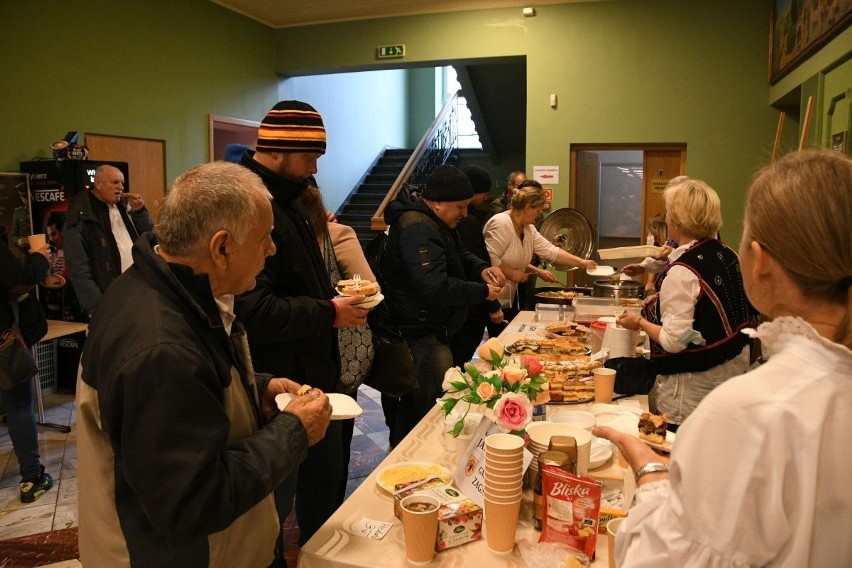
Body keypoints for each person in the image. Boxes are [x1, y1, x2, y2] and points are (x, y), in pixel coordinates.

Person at [594, 150, 852, 567]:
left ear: (761, 261)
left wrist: (652, 476)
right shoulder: (722, 256)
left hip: (692, 384)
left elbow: (662, 560)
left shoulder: (748, 414)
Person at [75, 161, 333, 568]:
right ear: (222, 247)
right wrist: (293, 432)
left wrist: (255, 388)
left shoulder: (165, 287)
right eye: (265, 237)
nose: (272, 248)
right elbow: (190, 502)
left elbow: (190, 393)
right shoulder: (160, 347)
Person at [234, 101, 368, 548]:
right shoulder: (253, 204)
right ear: (278, 149)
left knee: (324, 492)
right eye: (310, 155)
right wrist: (329, 312)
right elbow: (255, 311)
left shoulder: (290, 197)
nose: (315, 167)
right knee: (275, 511)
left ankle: (320, 557)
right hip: (281, 384)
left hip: (313, 377)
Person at [379, 165, 505, 446]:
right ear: (437, 202)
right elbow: (433, 286)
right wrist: (483, 292)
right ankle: (413, 464)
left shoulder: (435, 223)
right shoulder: (417, 229)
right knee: (427, 414)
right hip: (420, 333)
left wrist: (481, 268)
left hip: (432, 328)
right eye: (460, 207)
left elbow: (457, 253)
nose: (464, 213)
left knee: (420, 408)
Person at [615, 177, 753, 429]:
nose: (666, 218)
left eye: (668, 212)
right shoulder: (727, 252)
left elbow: (673, 342)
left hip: (693, 391)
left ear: (676, 221)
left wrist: (639, 322)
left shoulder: (683, 272)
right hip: (729, 377)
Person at [299, 181, 375, 505]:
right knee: (332, 449)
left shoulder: (265, 235)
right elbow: (368, 287)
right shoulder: (336, 234)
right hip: (333, 355)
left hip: (280, 363)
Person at [484, 184, 595, 337]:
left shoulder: (528, 228)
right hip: (489, 296)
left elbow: (550, 251)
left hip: (507, 295)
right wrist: (513, 274)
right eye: (538, 210)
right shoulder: (501, 223)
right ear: (528, 207)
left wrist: (582, 262)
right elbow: (490, 258)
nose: (539, 214)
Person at [0, 228, 54, 503]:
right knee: (19, 407)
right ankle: (32, 479)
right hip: (5, 343)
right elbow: (19, 279)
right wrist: (38, 257)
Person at [64, 164, 153, 318]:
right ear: (98, 184)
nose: (121, 187)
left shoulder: (125, 206)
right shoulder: (80, 216)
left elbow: (149, 237)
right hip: (108, 298)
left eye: (122, 183)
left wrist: (140, 213)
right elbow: (78, 268)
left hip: (138, 291)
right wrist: (96, 307)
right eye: (115, 182)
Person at [450, 165, 503, 366]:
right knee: (460, 359)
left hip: (465, 299)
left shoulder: (459, 221)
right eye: (483, 193)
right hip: (472, 305)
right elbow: (474, 262)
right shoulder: (468, 222)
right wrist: (492, 304)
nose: (485, 197)